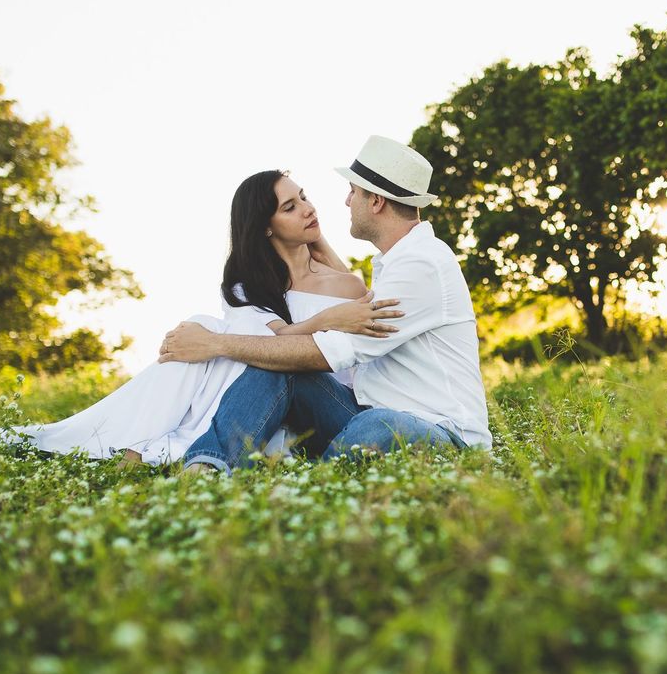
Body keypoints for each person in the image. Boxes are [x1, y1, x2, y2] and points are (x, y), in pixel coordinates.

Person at [0, 170, 403, 464]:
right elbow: (272, 346)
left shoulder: (346, 286)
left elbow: (325, 344)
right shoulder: (246, 288)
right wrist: (331, 317)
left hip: (320, 401)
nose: (309, 208)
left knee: (211, 333)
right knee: (211, 328)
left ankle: (172, 446)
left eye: (304, 197)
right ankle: (137, 435)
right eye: (290, 207)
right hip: (259, 385)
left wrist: (325, 268)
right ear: (265, 227)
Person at [158, 135, 492, 473]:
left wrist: (216, 344)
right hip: (364, 411)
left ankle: (315, 477)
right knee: (280, 367)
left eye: (353, 192)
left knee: (377, 427)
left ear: (376, 202)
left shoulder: (422, 264)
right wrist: (318, 244)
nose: (347, 202)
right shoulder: (394, 262)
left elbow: (328, 352)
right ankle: (208, 466)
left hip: (440, 430)